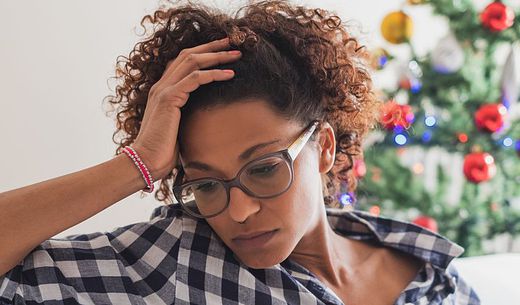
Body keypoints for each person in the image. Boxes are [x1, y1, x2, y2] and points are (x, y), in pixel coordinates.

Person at [0, 0, 480, 304]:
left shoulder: (434, 275)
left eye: (265, 168)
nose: (240, 210)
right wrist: (139, 161)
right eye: (207, 184)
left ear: (325, 147)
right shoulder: (173, 259)